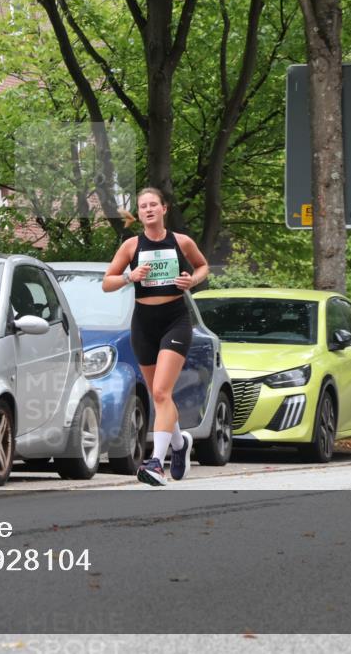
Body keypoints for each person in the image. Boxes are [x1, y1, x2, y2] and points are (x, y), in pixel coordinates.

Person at [102, 187, 210, 485]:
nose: (148, 209)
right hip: (143, 324)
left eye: (153, 205)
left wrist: (192, 280)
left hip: (175, 320)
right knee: (159, 395)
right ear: (138, 214)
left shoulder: (181, 242)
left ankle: (156, 464)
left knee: (162, 391)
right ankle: (180, 444)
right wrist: (130, 276)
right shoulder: (131, 246)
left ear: (164, 209)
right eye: (143, 206)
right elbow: (107, 283)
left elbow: (202, 266)